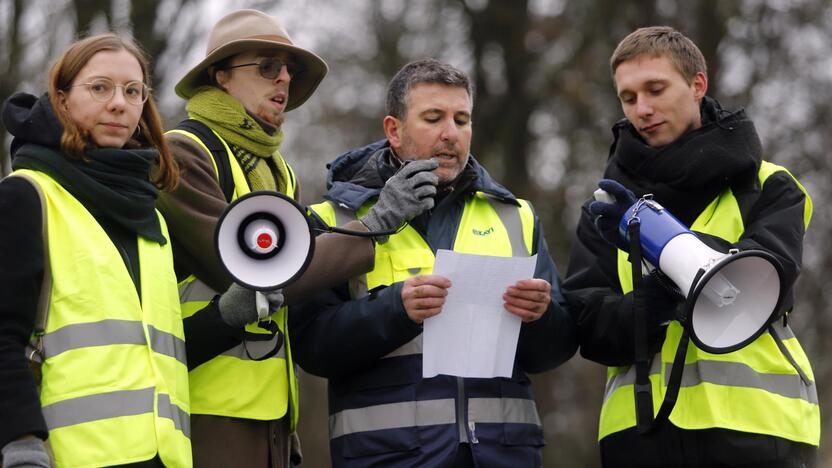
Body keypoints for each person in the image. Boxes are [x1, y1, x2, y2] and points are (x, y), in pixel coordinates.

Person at [157, 9, 433, 468]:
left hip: (271, 418)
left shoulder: (278, 170)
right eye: (267, 66)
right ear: (221, 76)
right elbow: (250, 271)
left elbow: (296, 290)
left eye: (290, 69)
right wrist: (377, 223)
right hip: (201, 409)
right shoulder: (184, 152)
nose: (284, 78)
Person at [0, 33, 279, 468]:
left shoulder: (151, 216)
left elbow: (156, 351)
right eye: (99, 87)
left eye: (133, 91)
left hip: (164, 458)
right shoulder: (28, 195)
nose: (119, 104)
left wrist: (228, 314)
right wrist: (20, 441)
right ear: (61, 98)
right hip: (64, 459)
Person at [290, 58, 577, 468]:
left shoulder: (517, 216)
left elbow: (557, 349)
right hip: (386, 456)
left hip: (503, 453)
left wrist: (541, 316)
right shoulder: (333, 220)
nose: (451, 134)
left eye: (462, 119)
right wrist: (395, 310)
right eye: (433, 118)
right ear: (394, 130)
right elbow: (313, 347)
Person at [563, 26, 818, 467]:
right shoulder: (605, 210)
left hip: (760, 432)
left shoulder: (770, 185)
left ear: (698, 84)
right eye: (628, 98)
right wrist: (659, 296)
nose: (642, 109)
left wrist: (658, 250)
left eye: (655, 89)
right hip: (639, 441)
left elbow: (759, 279)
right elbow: (590, 329)